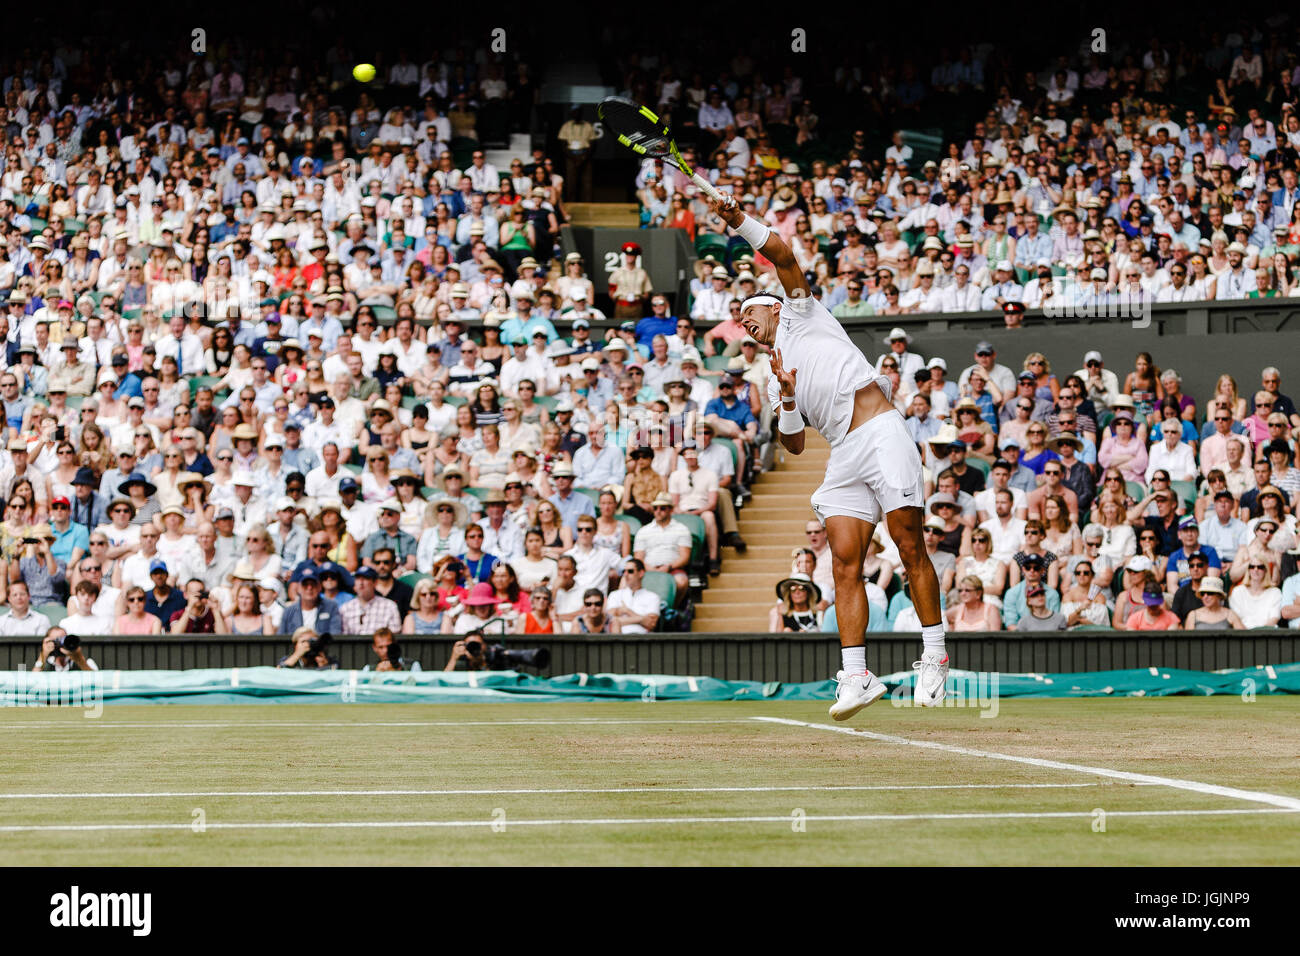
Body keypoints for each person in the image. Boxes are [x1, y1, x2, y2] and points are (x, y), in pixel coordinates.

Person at [711, 191, 946, 717]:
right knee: (842, 563)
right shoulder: (773, 380)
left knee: (909, 547)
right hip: (843, 453)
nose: (746, 326)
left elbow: (785, 256)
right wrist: (788, 394)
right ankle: (857, 675)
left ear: (773, 307)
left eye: (750, 314)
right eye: (741, 325)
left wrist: (740, 221)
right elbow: (793, 444)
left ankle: (934, 657)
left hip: (882, 433)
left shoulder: (801, 313)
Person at [606, 558, 660, 633]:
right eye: (624, 571)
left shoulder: (653, 597)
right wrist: (642, 619)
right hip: (618, 640)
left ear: (641, 573)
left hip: (643, 640)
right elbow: (610, 621)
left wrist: (627, 611)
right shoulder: (615, 595)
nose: (625, 574)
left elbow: (651, 623)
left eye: (630, 571)